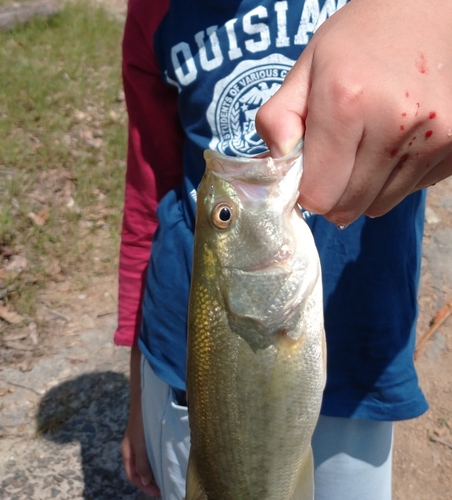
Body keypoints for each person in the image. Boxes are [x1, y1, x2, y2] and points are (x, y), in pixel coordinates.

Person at [115, 0, 452, 499]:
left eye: (224, 213)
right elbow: (148, 200)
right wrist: (139, 390)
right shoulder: (154, 12)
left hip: (362, 357)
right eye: (225, 214)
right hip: (187, 370)